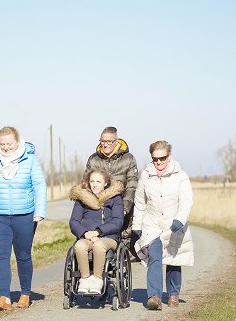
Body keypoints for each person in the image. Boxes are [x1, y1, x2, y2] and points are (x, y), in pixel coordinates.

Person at [0, 126, 47, 311]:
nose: (5, 147)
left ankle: (25, 293)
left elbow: (39, 184)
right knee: (1, 256)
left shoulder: (29, 159)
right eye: (2, 143)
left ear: (17, 142)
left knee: (23, 256)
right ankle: (4, 297)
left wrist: (40, 211)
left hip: (25, 215)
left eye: (9, 144)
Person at [132, 140, 194, 310]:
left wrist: (179, 220)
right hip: (152, 223)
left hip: (173, 223)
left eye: (162, 158)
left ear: (169, 156)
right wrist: (136, 225)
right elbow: (140, 202)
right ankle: (154, 296)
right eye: (155, 159)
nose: (159, 162)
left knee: (174, 260)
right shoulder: (146, 175)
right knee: (155, 257)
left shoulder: (180, 176)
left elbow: (186, 201)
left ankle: (173, 294)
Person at [69, 169, 124, 295]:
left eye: (98, 181)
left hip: (108, 237)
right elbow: (74, 222)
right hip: (87, 237)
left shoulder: (115, 198)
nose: (94, 184)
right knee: (79, 245)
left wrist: (98, 232)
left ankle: (98, 280)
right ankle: (85, 279)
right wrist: (85, 233)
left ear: (105, 183)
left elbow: (118, 221)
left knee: (99, 245)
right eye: (92, 181)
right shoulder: (82, 199)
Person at [85, 126, 138, 248]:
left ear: (116, 141)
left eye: (109, 141)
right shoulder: (93, 159)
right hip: (98, 205)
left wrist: (125, 207)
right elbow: (86, 183)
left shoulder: (128, 158)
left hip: (120, 204)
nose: (105, 144)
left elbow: (132, 184)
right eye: (103, 141)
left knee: (122, 237)